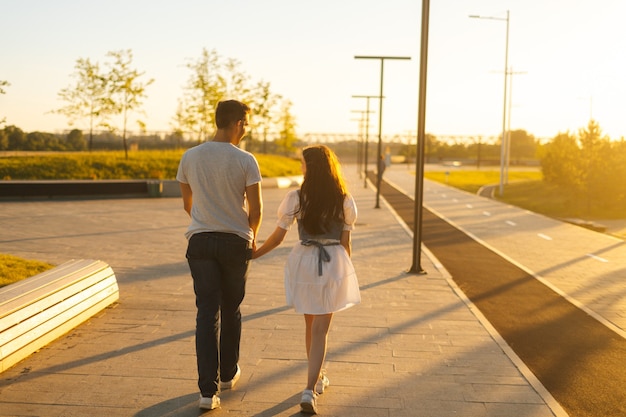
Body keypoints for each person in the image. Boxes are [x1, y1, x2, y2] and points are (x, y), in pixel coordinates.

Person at [252, 145, 360, 415]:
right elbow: (346, 243)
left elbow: (278, 237)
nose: (300, 166)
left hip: (304, 261)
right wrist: (345, 271)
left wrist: (255, 254)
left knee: (311, 325)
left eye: (303, 163)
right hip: (332, 260)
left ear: (310, 167)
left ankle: (317, 377)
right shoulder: (344, 200)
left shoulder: (296, 197)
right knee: (321, 328)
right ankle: (310, 389)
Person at [176, 99, 262, 411]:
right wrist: (251, 234)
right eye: (247, 123)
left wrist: (203, 222)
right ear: (238, 122)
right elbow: (257, 209)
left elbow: (188, 202)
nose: (247, 129)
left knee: (205, 312)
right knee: (231, 308)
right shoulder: (245, 160)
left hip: (199, 241)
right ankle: (227, 375)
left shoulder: (190, 156)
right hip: (234, 242)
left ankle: (206, 392)